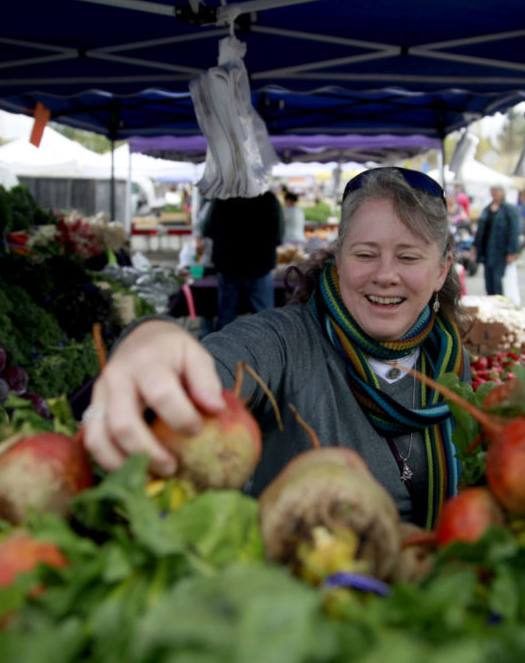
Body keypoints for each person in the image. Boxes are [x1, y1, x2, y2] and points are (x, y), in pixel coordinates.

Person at [83, 167, 470, 529]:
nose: (385, 275)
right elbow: (219, 360)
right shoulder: (287, 341)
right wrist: (153, 339)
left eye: (408, 257)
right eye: (365, 254)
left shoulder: (449, 360)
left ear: (440, 270)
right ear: (338, 260)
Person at [201, 190, 284, 330]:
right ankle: (265, 349)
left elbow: (208, 229)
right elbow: (279, 235)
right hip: (260, 266)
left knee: (226, 319)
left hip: (229, 266)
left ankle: (224, 350)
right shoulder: (268, 198)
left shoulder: (223, 197)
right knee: (264, 318)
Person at [470, 185, 520, 296]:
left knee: (498, 282)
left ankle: (500, 306)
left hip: (500, 252)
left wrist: (512, 251)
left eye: (497, 191)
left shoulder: (509, 209)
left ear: (502, 193)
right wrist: (475, 246)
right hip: (487, 251)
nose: (494, 194)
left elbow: (514, 231)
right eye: (492, 191)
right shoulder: (487, 209)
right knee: (489, 282)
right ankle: (491, 304)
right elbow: (480, 230)